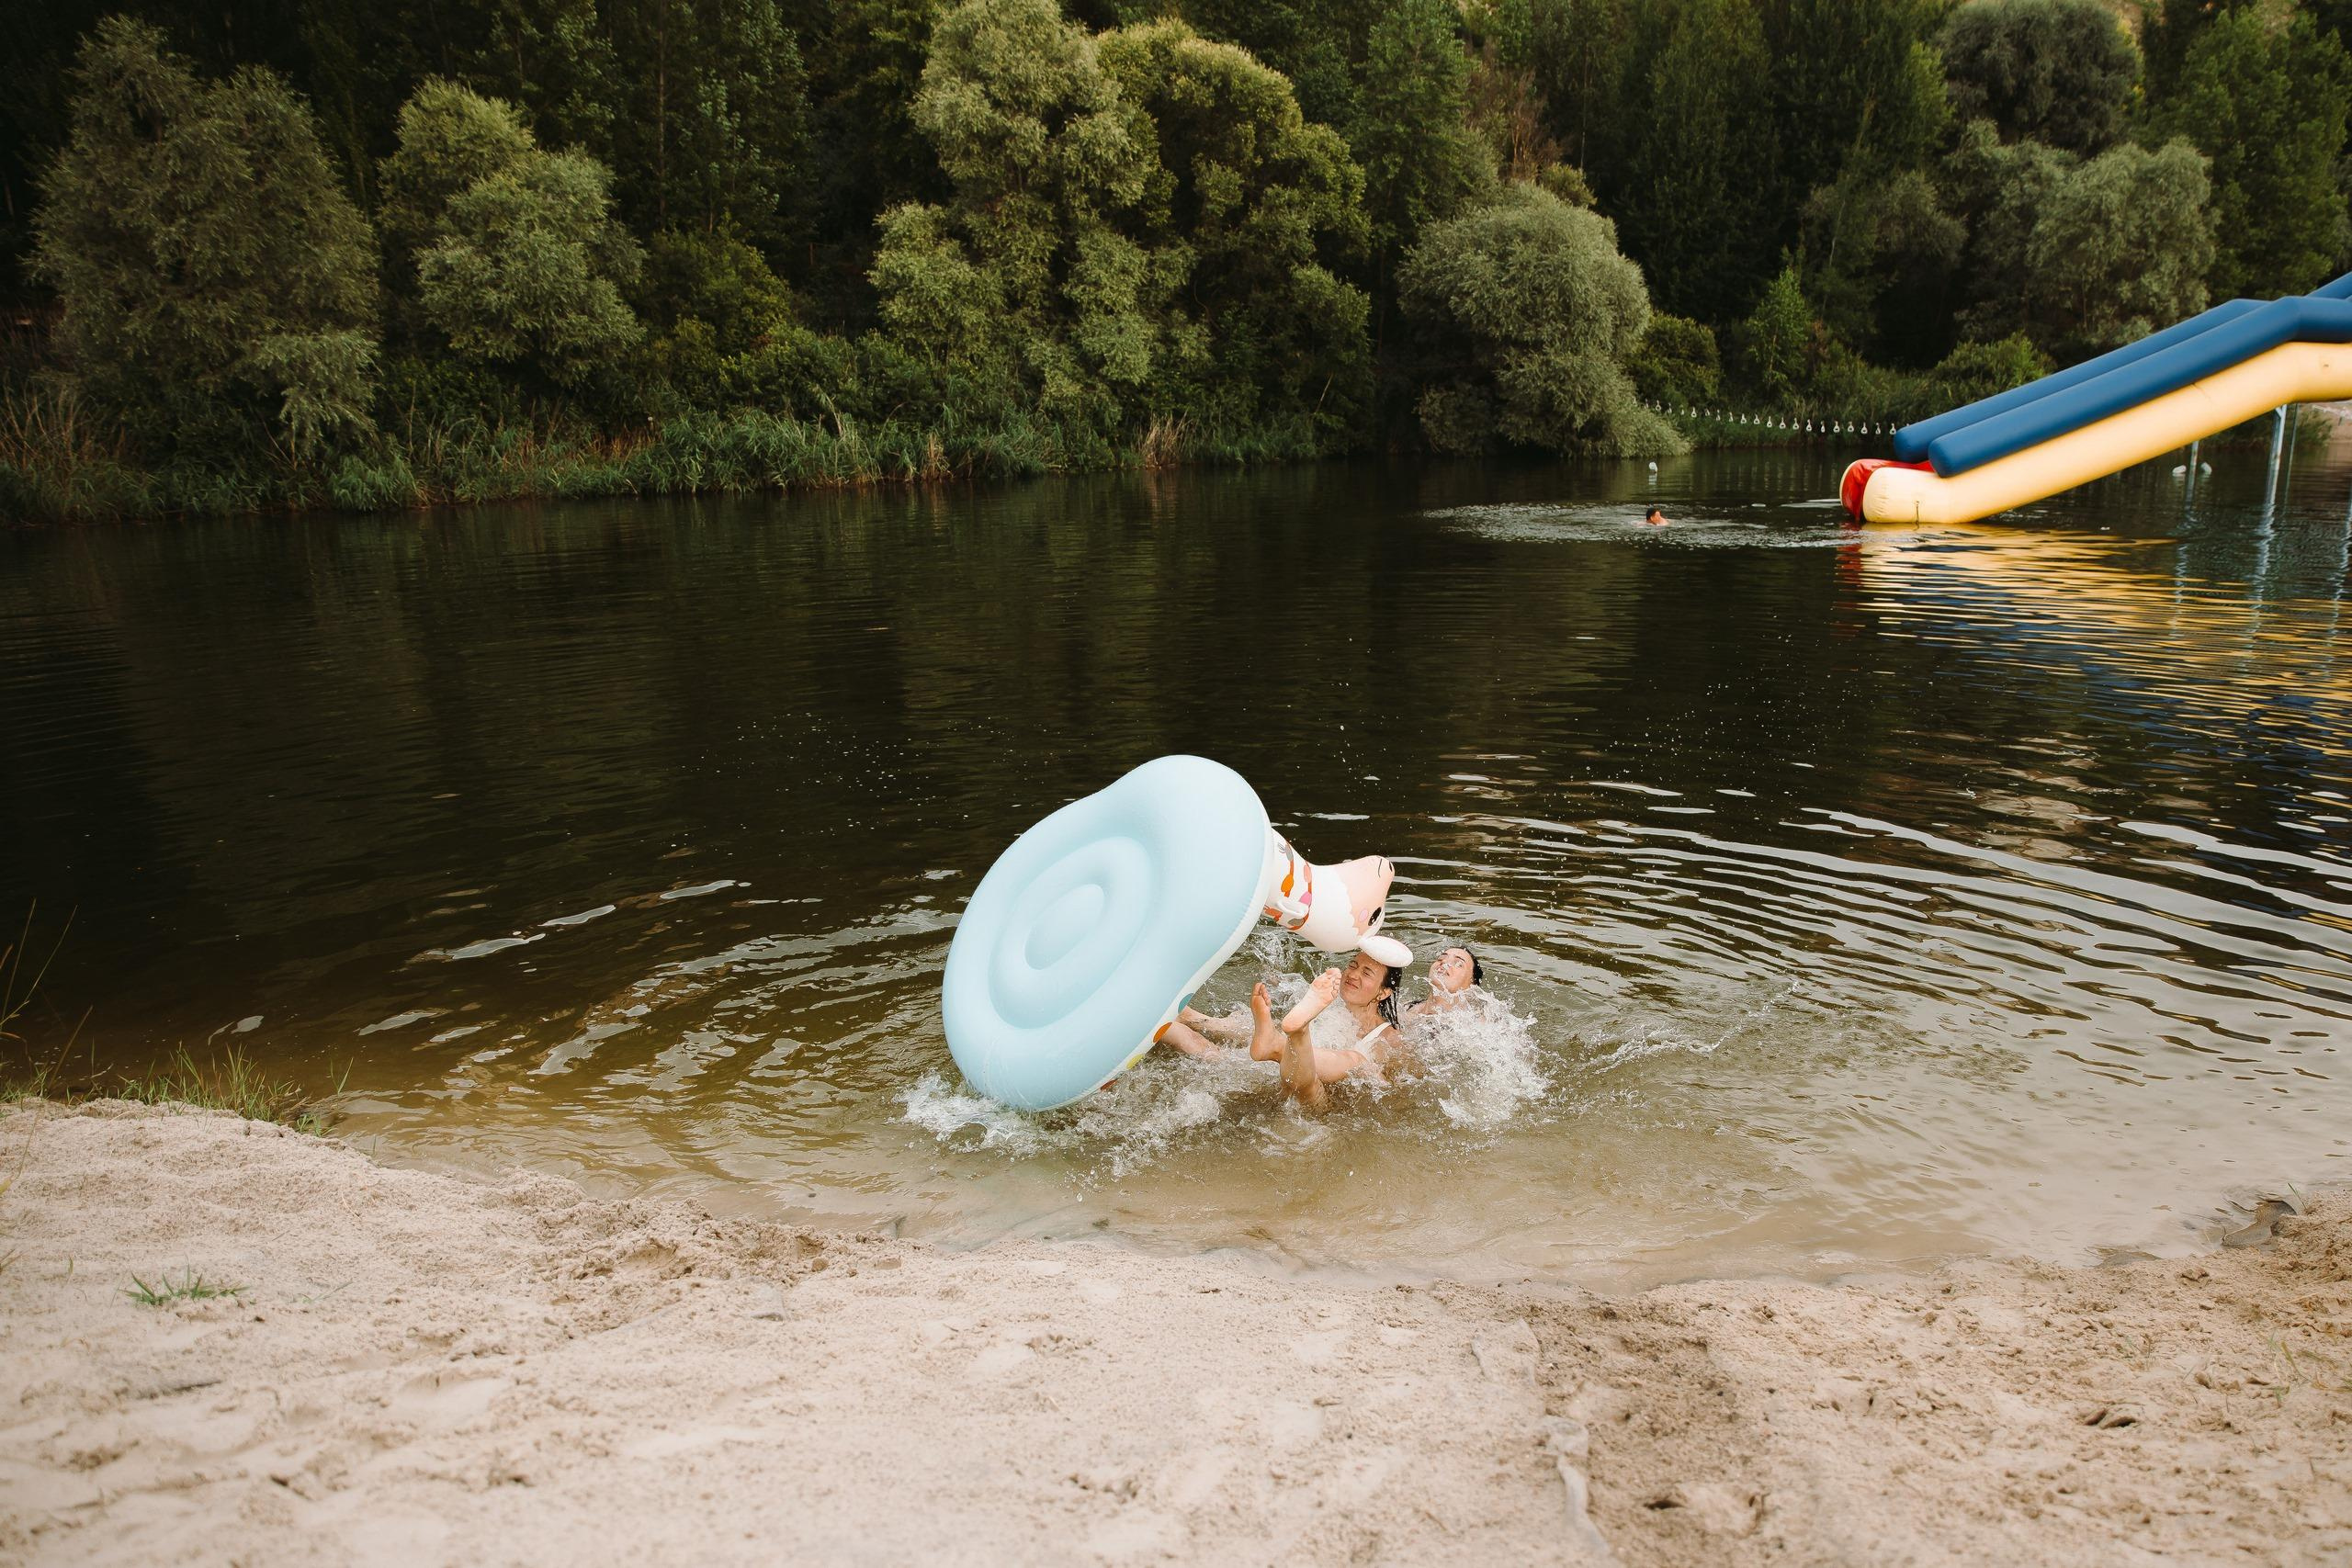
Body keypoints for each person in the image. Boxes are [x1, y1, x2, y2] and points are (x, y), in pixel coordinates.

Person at [1248, 945, 1414, 1112]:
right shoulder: (1330, 1009)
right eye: (1352, 965)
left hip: (1329, 1110)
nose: (1353, 974)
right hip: (1293, 1084)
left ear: (1383, 993)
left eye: (1366, 973)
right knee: (1304, 1082)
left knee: (1360, 1064)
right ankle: (1292, 1036)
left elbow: (1394, 1090)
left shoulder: (1389, 1037)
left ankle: (1278, 1044)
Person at [1408, 944, 1483, 1019]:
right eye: (1440, 958)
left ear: (1472, 984)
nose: (1444, 962)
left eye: (1458, 963)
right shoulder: (1404, 1009)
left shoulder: (1478, 1024)